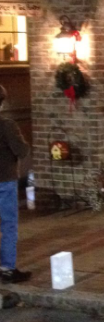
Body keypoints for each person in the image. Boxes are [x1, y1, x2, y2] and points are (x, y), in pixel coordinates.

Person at [0, 85, 31, 283]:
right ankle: (7, 268)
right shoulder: (7, 125)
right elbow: (21, 150)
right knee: (8, 224)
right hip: (4, 180)